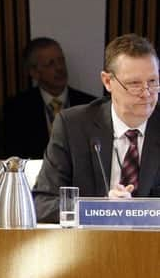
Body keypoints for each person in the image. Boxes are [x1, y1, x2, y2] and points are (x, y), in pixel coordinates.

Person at [34, 33, 160, 222]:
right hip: (90, 245)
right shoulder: (73, 126)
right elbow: (42, 203)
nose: (147, 93)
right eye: (134, 84)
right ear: (108, 81)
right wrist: (100, 208)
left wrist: (136, 211)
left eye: (152, 82)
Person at [4, 37, 96, 159]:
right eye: (51, 63)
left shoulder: (90, 105)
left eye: (61, 60)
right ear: (34, 72)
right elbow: (13, 156)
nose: (60, 68)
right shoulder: (16, 109)